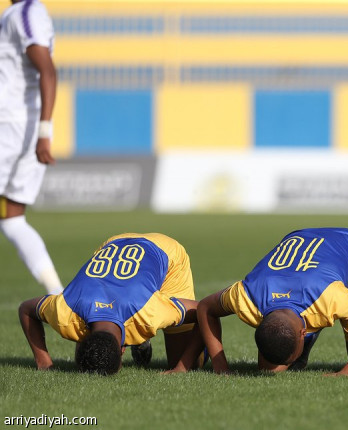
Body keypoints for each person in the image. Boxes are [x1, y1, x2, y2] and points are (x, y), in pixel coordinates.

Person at [168, 227, 348, 376]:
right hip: (300, 245)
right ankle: (304, 344)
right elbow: (205, 308)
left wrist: (346, 373)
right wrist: (220, 363)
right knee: (268, 369)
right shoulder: (246, 297)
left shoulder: (333, 298)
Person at [18, 233, 202, 375]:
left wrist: (181, 367)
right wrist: (44, 363)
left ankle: (140, 338)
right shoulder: (66, 311)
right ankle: (138, 338)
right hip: (114, 244)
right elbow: (26, 309)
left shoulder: (149, 313)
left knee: (190, 363)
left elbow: (203, 309)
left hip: (165, 251)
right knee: (90, 350)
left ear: (122, 350)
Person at [0, 0, 61, 294]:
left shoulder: (25, 12)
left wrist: (44, 131)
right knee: (12, 219)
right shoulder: (26, 13)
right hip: (22, 126)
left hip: (9, 127)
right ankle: (58, 297)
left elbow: (47, 70)